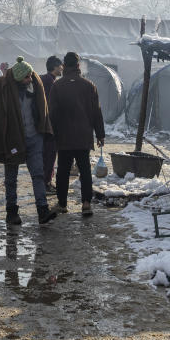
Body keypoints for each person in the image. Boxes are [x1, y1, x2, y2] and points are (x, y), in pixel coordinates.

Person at [0, 57, 56, 225]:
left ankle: (43, 210)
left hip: (34, 137)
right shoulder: (3, 89)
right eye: (26, 77)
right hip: (12, 138)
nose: (30, 79)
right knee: (11, 178)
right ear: (18, 78)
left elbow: (42, 110)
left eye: (30, 76)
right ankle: (11, 212)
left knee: (38, 174)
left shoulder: (35, 87)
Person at [48, 52, 104, 217]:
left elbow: (52, 114)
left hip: (64, 138)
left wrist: (52, 134)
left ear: (64, 66)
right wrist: (100, 134)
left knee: (63, 171)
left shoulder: (57, 86)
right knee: (85, 170)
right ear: (78, 66)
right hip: (83, 137)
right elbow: (96, 113)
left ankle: (63, 204)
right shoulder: (89, 85)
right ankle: (86, 204)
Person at [40, 55, 63, 193]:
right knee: (49, 155)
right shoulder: (50, 82)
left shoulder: (46, 79)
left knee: (48, 155)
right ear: (55, 67)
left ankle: (46, 181)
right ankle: (46, 183)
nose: (62, 68)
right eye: (60, 65)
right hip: (49, 125)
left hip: (44, 124)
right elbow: (51, 106)